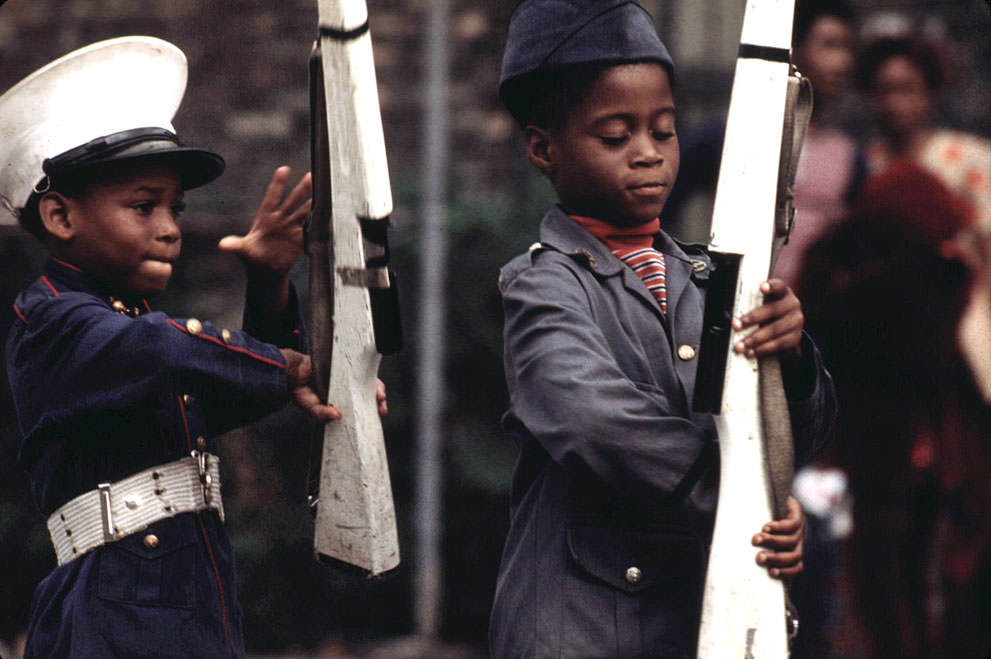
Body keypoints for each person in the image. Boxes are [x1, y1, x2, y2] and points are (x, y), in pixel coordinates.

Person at [0, 37, 382, 657]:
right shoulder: (56, 324)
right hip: (111, 616)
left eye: (175, 208)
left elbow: (231, 387)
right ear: (61, 218)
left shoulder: (134, 330)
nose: (171, 227)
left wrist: (268, 282)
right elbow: (166, 352)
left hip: (185, 609)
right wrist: (295, 369)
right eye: (144, 206)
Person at [489, 2, 837, 656]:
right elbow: (590, 418)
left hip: (697, 622)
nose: (647, 155)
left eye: (664, 131)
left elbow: (786, 434)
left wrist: (789, 356)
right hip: (577, 625)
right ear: (543, 148)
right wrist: (744, 498)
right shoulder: (543, 284)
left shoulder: (711, 279)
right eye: (615, 136)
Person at [798, 160, 991, 658]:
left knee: (896, 584)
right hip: (880, 453)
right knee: (881, 584)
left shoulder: (934, 275)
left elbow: (915, 356)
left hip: (903, 454)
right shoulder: (907, 270)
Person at [663, 0, 865, 288]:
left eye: (849, 49)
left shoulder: (846, 155)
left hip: (815, 317)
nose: (843, 62)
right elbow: (664, 199)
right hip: (737, 301)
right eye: (830, 45)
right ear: (794, 49)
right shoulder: (731, 135)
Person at [856, 32, 991, 402]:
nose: (894, 103)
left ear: (930, 92)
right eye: (883, 90)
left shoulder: (966, 156)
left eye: (907, 89)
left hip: (962, 315)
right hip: (890, 324)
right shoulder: (865, 164)